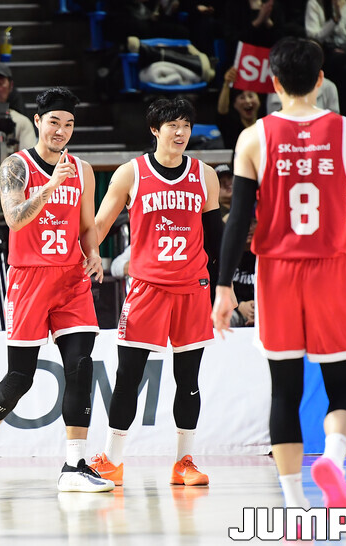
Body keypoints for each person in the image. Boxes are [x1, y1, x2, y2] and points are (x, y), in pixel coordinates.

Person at [211, 37, 346, 516]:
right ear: (320, 80)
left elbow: (238, 219)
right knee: (344, 388)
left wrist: (224, 286)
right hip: (331, 267)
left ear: (273, 83)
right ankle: (332, 458)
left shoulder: (254, 138)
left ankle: (294, 505)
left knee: (284, 391)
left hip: (276, 271)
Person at [0, 87, 114, 494]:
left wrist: (94, 253)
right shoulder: (16, 165)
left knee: (81, 367)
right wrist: (49, 187)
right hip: (29, 278)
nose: (61, 131)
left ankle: (74, 465)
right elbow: (14, 219)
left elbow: (87, 225)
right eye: (54, 122)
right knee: (20, 378)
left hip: (71, 279)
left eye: (69, 124)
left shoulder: (83, 170)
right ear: (37, 122)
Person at [88, 98, 224, 488]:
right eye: (172, 126)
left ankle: (184, 462)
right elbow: (100, 224)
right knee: (128, 377)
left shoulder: (205, 175)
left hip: (192, 288)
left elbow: (215, 238)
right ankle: (112, 460)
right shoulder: (130, 173)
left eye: (186, 125)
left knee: (189, 378)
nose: (180, 133)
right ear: (154, 130)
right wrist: (83, 255)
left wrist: (222, 286)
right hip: (147, 288)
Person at [217, 66, 261, 150]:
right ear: (235, 105)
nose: (247, 101)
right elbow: (222, 111)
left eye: (251, 96)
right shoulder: (231, 126)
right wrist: (226, 84)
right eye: (242, 98)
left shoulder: (266, 124)